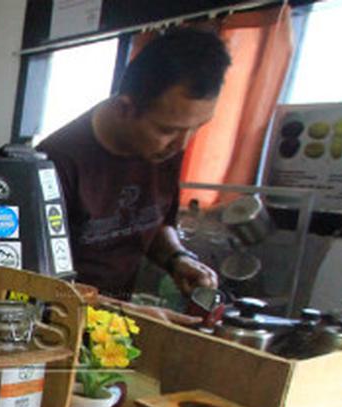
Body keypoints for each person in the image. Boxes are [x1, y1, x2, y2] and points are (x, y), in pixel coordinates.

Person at [37, 28, 231, 300]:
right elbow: (36, 282)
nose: (182, 144)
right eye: (168, 130)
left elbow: (155, 222)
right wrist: (122, 312)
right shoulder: (56, 163)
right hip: (60, 315)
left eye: (197, 127)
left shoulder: (162, 149)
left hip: (117, 312)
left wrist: (177, 258)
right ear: (124, 109)